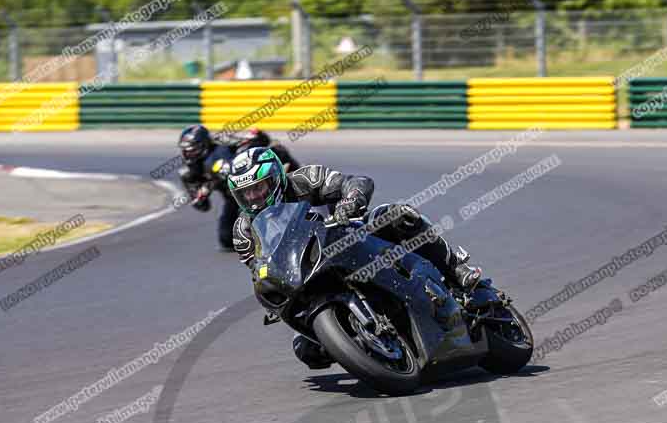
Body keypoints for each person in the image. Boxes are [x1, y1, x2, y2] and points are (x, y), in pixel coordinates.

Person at [227, 147, 481, 369]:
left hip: (345, 235)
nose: (254, 198)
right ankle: (368, 344)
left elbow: (356, 181)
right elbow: (259, 268)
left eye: (258, 188)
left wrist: (351, 201)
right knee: (307, 351)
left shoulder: (305, 179)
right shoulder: (243, 232)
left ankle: (455, 268)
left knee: (397, 215)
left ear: (275, 179)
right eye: (246, 194)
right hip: (304, 273)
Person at [177, 125, 299, 251]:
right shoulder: (188, 174)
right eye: (186, 151)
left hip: (256, 186)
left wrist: (256, 136)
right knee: (226, 238)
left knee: (276, 150)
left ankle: (295, 178)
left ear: (204, 144)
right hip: (234, 198)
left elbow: (260, 141)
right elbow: (203, 206)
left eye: (192, 150)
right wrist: (201, 195)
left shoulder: (223, 144)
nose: (189, 154)